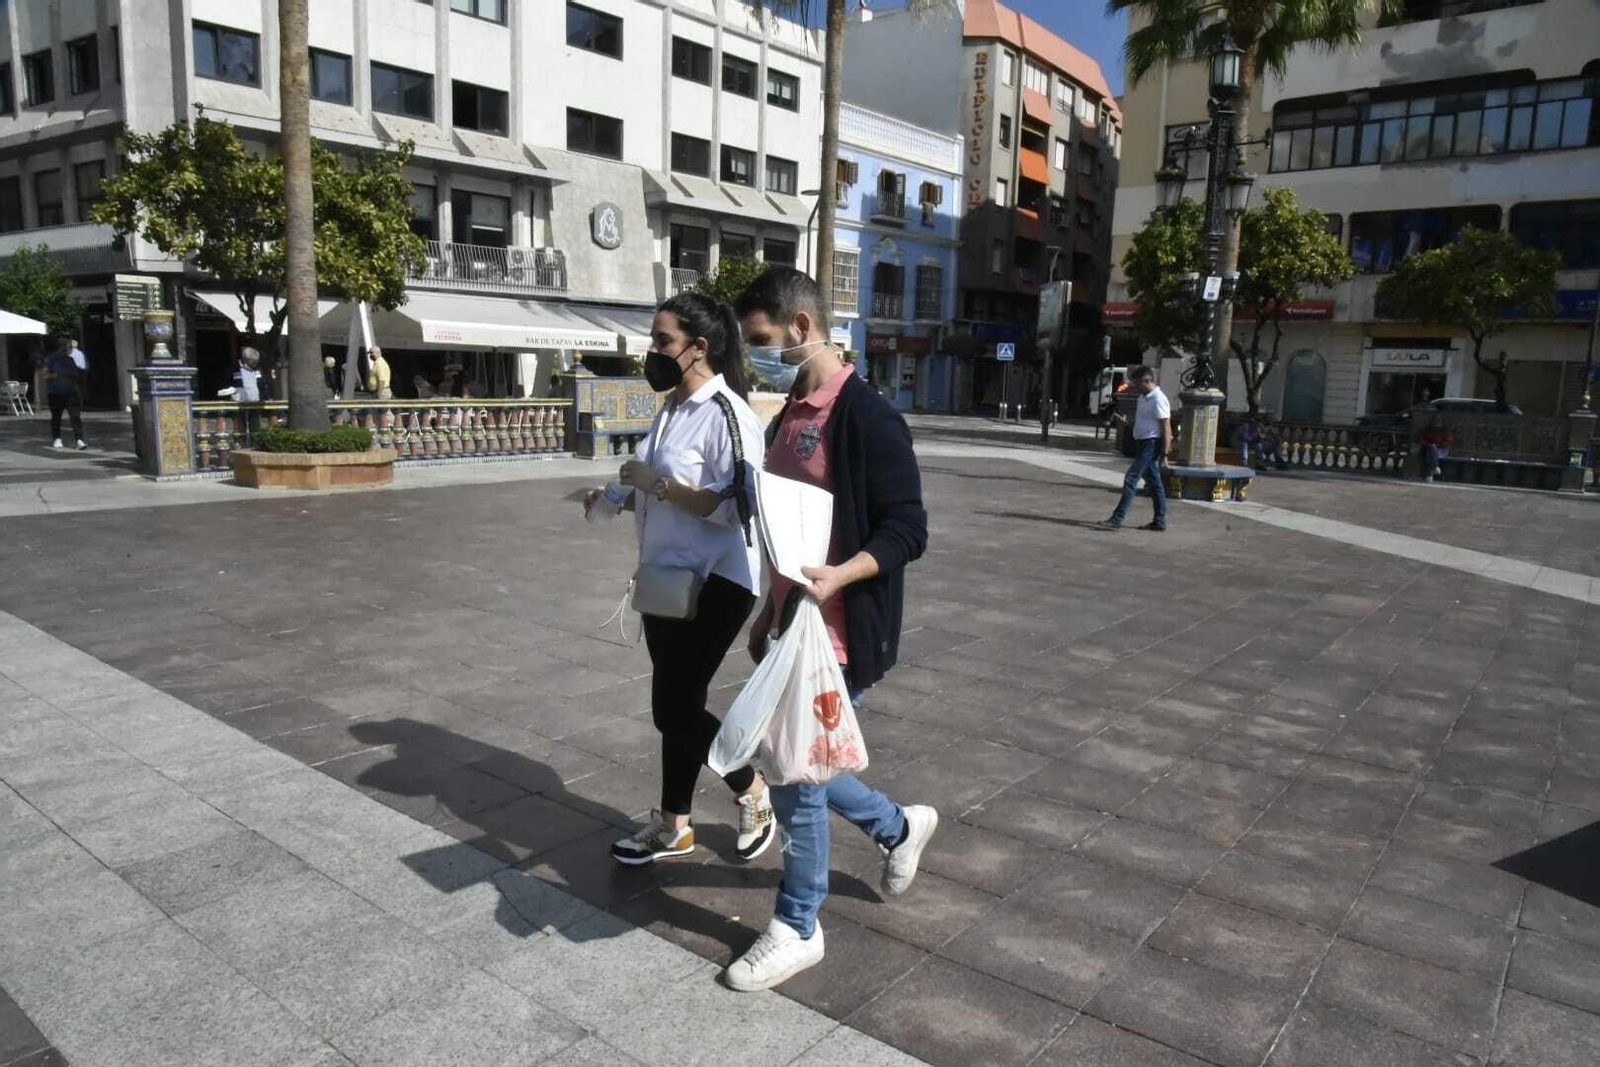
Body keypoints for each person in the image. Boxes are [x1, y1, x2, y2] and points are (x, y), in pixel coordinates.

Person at [724, 267, 937, 992]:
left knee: (795, 778)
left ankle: (798, 924)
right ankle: (899, 827)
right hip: (793, 622)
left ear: (804, 329)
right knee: (798, 761)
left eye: (762, 340)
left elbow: (908, 528)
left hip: (840, 629)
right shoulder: (789, 410)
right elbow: (787, 526)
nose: (756, 354)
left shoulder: (868, 415)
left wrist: (841, 576)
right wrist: (768, 608)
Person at [583, 291, 777, 867]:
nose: (654, 352)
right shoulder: (669, 411)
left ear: (700, 347)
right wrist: (613, 498)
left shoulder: (729, 414)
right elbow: (651, 486)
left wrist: (657, 485)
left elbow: (736, 505)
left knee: (674, 708)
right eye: (654, 340)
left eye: (663, 341)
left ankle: (753, 792)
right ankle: (675, 825)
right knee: (678, 704)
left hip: (720, 581)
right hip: (667, 580)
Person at [1096, 365, 1170, 532]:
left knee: (1131, 479)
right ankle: (1160, 520)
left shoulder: (1159, 399)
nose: (1135, 387)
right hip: (1142, 442)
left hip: (1151, 443)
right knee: (1154, 483)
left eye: (1138, 384)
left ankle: (1117, 519)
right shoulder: (1143, 398)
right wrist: (1128, 423)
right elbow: (1144, 420)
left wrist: (1164, 455)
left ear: (1148, 381)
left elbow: (1166, 428)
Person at [44, 336, 86, 450]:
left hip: (69, 392)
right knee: (58, 417)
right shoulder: (51, 359)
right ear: (63, 347)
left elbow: (76, 374)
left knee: (74, 417)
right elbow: (46, 375)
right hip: (57, 392)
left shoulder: (70, 359)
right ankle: (58, 439)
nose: (70, 349)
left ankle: (78, 440)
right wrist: (57, 376)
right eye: (69, 346)